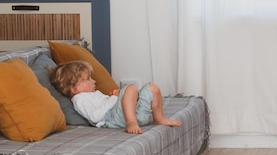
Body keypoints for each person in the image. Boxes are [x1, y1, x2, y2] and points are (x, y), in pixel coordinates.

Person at [50, 60, 182, 134]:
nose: (94, 81)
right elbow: (95, 116)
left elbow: (104, 103)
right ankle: (131, 122)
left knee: (152, 87)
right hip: (112, 119)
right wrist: (115, 98)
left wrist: (117, 97)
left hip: (123, 113)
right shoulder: (80, 99)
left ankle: (158, 118)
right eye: (88, 79)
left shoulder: (90, 94)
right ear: (74, 88)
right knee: (130, 88)